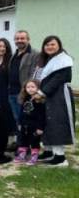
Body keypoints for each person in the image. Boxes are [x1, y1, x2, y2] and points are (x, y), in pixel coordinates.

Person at [35, 36, 75, 167]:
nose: (49, 47)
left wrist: (42, 92)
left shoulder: (64, 60)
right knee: (47, 122)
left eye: (52, 44)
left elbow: (58, 79)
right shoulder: (47, 60)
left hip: (59, 95)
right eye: (47, 45)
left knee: (57, 123)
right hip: (48, 94)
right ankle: (49, 151)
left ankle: (60, 157)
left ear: (59, 45)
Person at [8, 31, 39, 128]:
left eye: (22, 38)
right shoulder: (14, 54)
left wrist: (28, 91)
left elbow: (35, 74)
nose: (19, 40)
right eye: (17, 38)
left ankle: (28, 141)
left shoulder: (35, 54)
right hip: (12, 92)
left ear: (28, 40)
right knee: (17, 119)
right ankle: (20, 141)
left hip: (24, 93)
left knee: (26, 120)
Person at [13, 80, 45, 165]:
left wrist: (40, 127)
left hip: (34, 125)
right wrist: (19, 123)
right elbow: (21, 112)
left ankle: (34, 156)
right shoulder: (25, 98)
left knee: (34, 141)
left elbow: (42, 116)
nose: (30, 89)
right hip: (24, 124)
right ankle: (22, 155)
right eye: (28, 87)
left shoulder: (39, 101)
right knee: (23, 140)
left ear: (38, 88)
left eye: (33, 87)